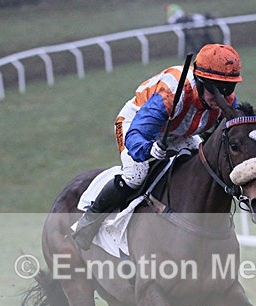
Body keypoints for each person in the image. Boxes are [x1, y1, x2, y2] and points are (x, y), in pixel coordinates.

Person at [73, 43, 243, 250]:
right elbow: (137, 134)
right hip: (138, 124)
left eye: (228, 89)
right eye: (217, 90)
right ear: (201, 81)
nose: (222, 98)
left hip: (179, 132)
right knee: (135, 175)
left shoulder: (226, 100)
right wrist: (149, 149)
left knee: (201, 165)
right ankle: (89, 221)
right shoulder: (173, 93)